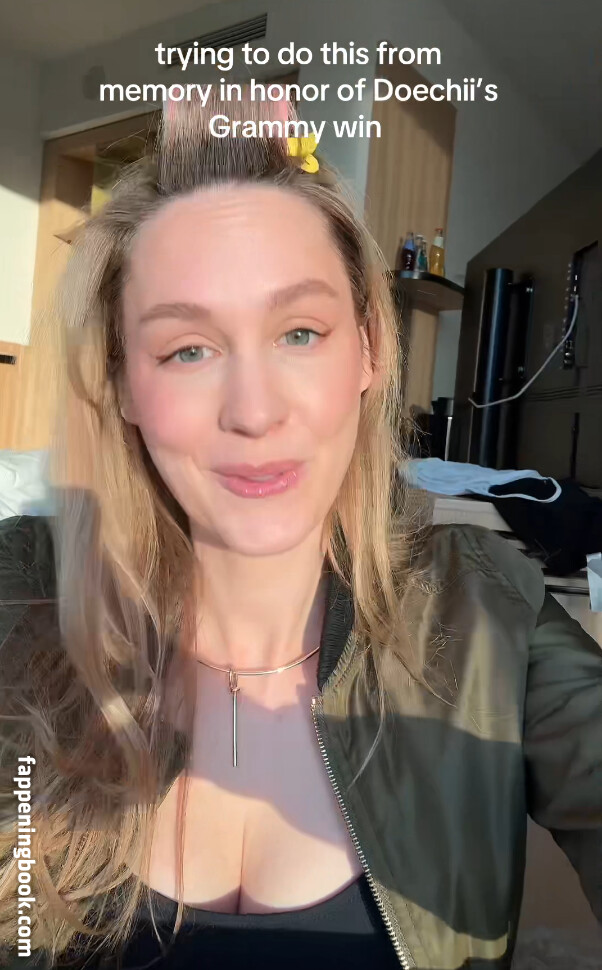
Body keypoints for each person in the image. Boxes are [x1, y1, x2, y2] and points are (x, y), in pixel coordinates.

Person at [0, 89, 600, 970]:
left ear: (370, 349)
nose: (254, 412)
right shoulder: (22, 594)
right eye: (187, 349)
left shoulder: (486, 613)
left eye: (300, 332)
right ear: (124, 384)